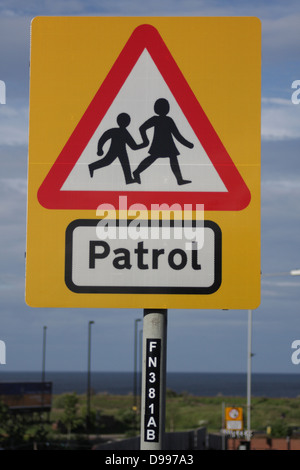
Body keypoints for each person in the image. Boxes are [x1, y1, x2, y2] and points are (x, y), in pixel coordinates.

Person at [133, 98, 194, 185]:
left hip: (165, 144)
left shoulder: (161, 119)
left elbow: (177, 135)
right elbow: (177, 135)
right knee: (159, 158)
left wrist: (145, 140)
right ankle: (136, 172)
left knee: (163, 158)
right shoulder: (166, 120)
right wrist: (188, 144)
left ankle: (179, 180)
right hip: (163, 144)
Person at [88, 113, 146, 184]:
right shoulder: (121, 131)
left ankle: (128, 179)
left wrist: (100, 148)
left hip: (121, 151)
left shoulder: (119, 131)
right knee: (107, 161)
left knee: (124, 164)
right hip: (115, 150)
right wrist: (99, 149)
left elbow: (103, 138)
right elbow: (104, 138)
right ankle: (92, 166)